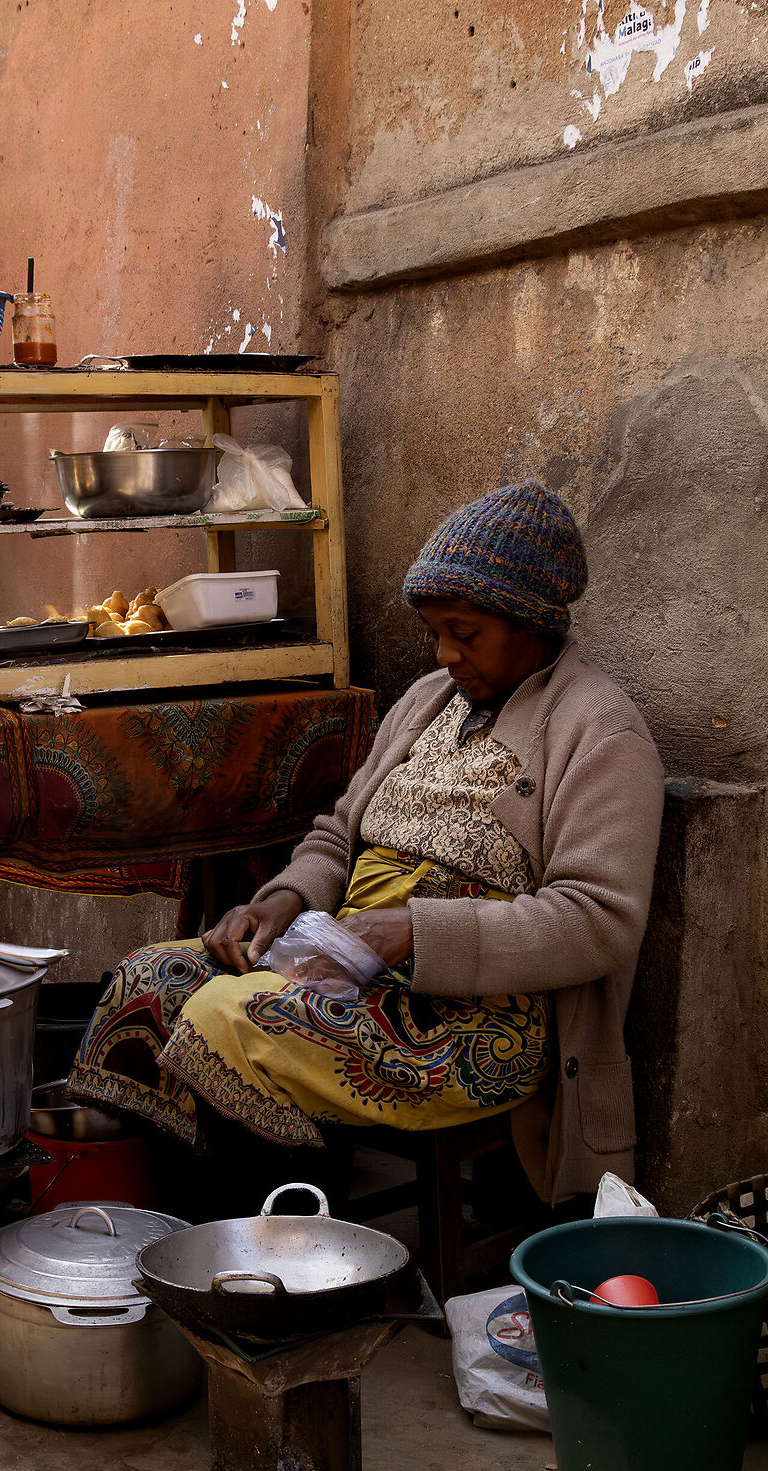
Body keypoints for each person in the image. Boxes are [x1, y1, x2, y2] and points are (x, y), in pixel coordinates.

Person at [69, 482, 667, 1207]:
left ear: (532, 622)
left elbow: (596, 922)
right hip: (351, 964)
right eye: (433, 632)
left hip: (475, 1019)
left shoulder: (601, 733)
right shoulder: (427, 702)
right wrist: (286, 900)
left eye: (465, 633)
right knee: (147, 984)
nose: (445, 653)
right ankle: (165, 1239)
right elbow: (338, 834)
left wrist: (410, 932)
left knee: (233, 1022)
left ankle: (273, 1263)